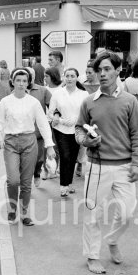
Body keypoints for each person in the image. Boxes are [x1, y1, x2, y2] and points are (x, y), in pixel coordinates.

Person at [75, 52, 138, 274]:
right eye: (99, 70)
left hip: (124, 166)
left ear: (118, 70)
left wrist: (137, 163)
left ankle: (112, 240)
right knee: (92, 213)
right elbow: (78, 129)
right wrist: (86, 140)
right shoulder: (89, 102)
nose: (102, 74)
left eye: (106, 69)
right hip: (97, 166)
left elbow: (137, 134)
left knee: (126, 213)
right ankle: (93, 256)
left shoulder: (129, 101)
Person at [0, 68, 56, 226]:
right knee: (13, 180)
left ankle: (24, 213)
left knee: (26, 182)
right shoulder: (5, 101)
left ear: (28, 83)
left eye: (24, 81)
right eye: (18, 80)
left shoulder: (33, 102)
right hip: (11, 143)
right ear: (12, 82)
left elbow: (43, 124)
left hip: (29, 141)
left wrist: (49, 145)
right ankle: (12, 209)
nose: (21, 84)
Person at [48, 68, 89, 197]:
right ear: (64, 77)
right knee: (65, 156)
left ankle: (69, 183)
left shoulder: (83, 94)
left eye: (72, 76)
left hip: (77, 129)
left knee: (73, 158)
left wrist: (76, 121)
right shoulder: (58, 93)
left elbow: (86, 112)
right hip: (61, 129)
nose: (70, 78)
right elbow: (51, 111)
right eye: (67, 76)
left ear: (77, 78)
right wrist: (60, 120)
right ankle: (63, 186)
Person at [25, 67, 52, 188]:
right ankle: (24, 183)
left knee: (39, 159)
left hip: (38, 132)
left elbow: (53, 106)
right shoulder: (17, 91)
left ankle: (36, 173)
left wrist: (54, 117)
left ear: (34, 76)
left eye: (30, 75)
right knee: (23, 160)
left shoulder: (43, 90)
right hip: (23, 133)